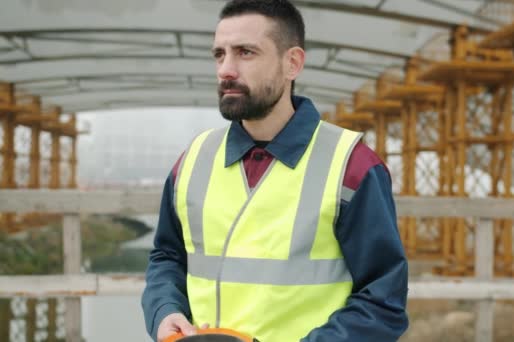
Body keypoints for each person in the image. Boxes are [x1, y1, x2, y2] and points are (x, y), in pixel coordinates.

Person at [141, 0, 408, 341]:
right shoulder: (194, 159)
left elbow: (382, 303)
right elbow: (167, 256)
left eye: (246, 53)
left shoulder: (351, 167)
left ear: (292, 63)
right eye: (219, 54)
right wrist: (165, 311)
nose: (226, 69)